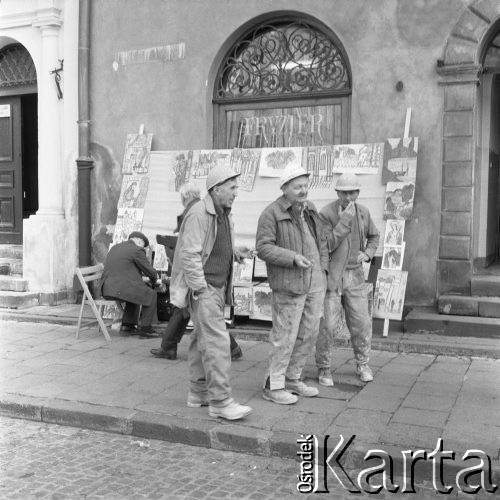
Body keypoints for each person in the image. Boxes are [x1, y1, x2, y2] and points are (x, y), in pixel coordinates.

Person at [168, 165, 252, 421]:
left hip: (215, 286)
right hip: (205, 289)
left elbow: (211, 246)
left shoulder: (222, 213)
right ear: (216, 189)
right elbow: (189, 254)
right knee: (217, 344)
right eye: (232, 188)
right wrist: (200, 289)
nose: (236, 193)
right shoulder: (199, 214)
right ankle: (221, 401)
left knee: (199, 341)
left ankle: (199, 393)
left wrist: (234, 253)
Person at [255, 165, 328, 405]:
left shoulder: (310, 209)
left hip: (314, 281)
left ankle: (293, 377)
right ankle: (273, 385)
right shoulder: (271, 213)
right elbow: (264, 248)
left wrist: (323, 269)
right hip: (289, 283)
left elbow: (321, 240)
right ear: (284, 188)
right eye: (297, 187)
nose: (303, 190)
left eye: (305, 185)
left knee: (309, 332)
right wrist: (292, 257)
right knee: (284, 335)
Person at [151, 183, 242, 361]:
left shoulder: (195, 212)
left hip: (198, 276)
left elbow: (190, 249)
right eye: (232, 188)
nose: (235, 193)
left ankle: (228, 349)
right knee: (196, 314)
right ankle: (170, 347)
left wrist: (198, 286)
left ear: (184, 198)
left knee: (198, 315)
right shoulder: (203, 210)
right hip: (200, 277)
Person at [315, 173, 380, 385]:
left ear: (358, 193)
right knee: (329, 325)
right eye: (344, 192)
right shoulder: (326, 213)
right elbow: (327, 245)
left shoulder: (363, 212)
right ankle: (324, 367)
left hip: (355, 274)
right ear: (337, 193)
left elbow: (374, 236)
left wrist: (368, 253)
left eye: (353, 192)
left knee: (361, 322)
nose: (349, 197)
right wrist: (343, 222)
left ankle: (363, 363)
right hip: (333, 275)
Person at [101, 231, 161, 338]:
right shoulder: (137, 250)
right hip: (120, 289)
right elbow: (150, 271)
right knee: (151, 294)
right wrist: (154, 280)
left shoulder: (115, 247)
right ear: (139, 241)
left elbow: (123, 270)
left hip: (107, 289)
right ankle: (146, 329)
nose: (144, 249)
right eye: (144, 245)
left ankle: (128, 326)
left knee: (137, 291)